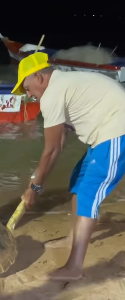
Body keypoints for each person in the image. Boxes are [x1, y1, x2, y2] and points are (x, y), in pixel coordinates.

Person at [12, 52, 125, 281]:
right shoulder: (61, 84)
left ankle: (75, 267)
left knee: (88, 192)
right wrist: (36, 180)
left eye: (28, 88)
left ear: (39, 77)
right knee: (77, 180)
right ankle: (72, 238)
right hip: (103, 134)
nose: (29, 95)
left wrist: (34, 188)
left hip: (117, 131)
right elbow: (59, 143)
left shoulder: (52, 94)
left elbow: (52, 149)